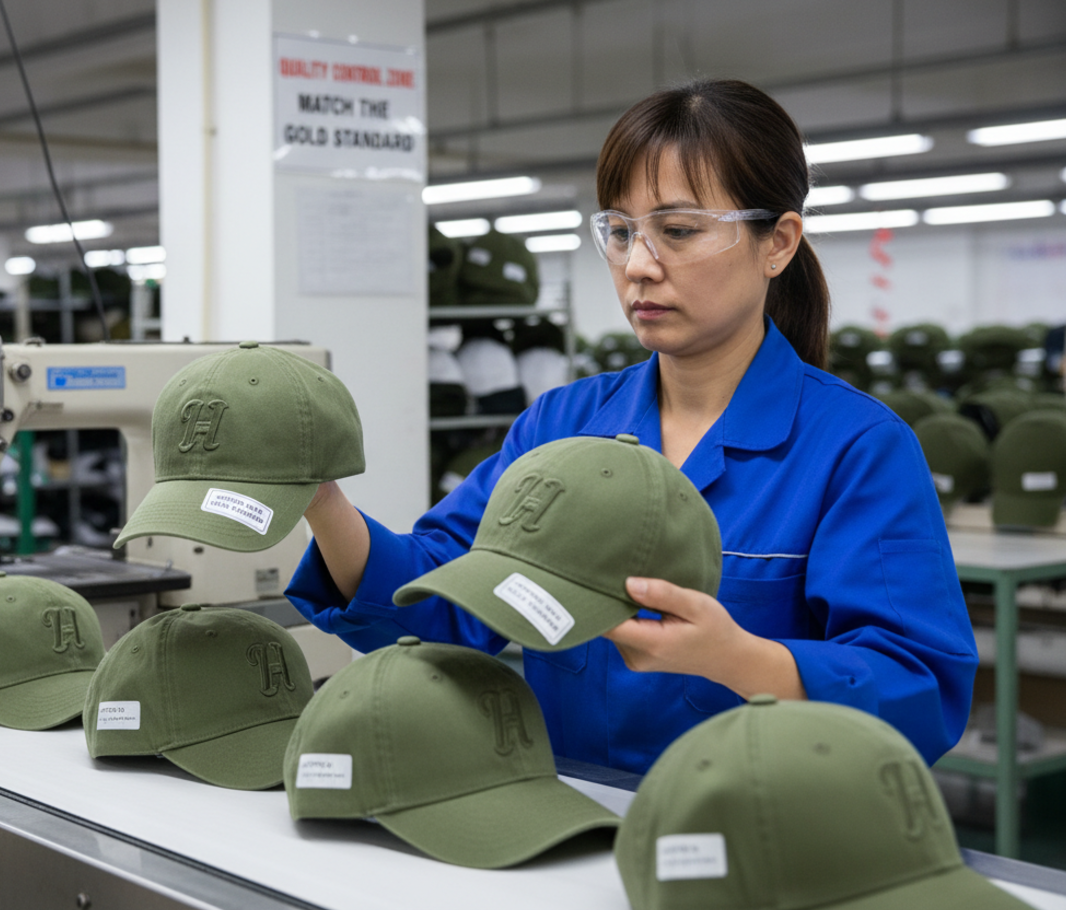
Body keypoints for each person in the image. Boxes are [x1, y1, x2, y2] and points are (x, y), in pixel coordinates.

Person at [286, 78, 975, 775]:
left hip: (750, 825)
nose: (639, 266)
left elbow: (919, 691)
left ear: (777, 242)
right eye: (620, 233)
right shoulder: (560, 426)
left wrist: (738, 659)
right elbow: (440, 605)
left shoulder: (855, 449)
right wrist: (321, 497)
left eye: (678, 231)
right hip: (567, 815)